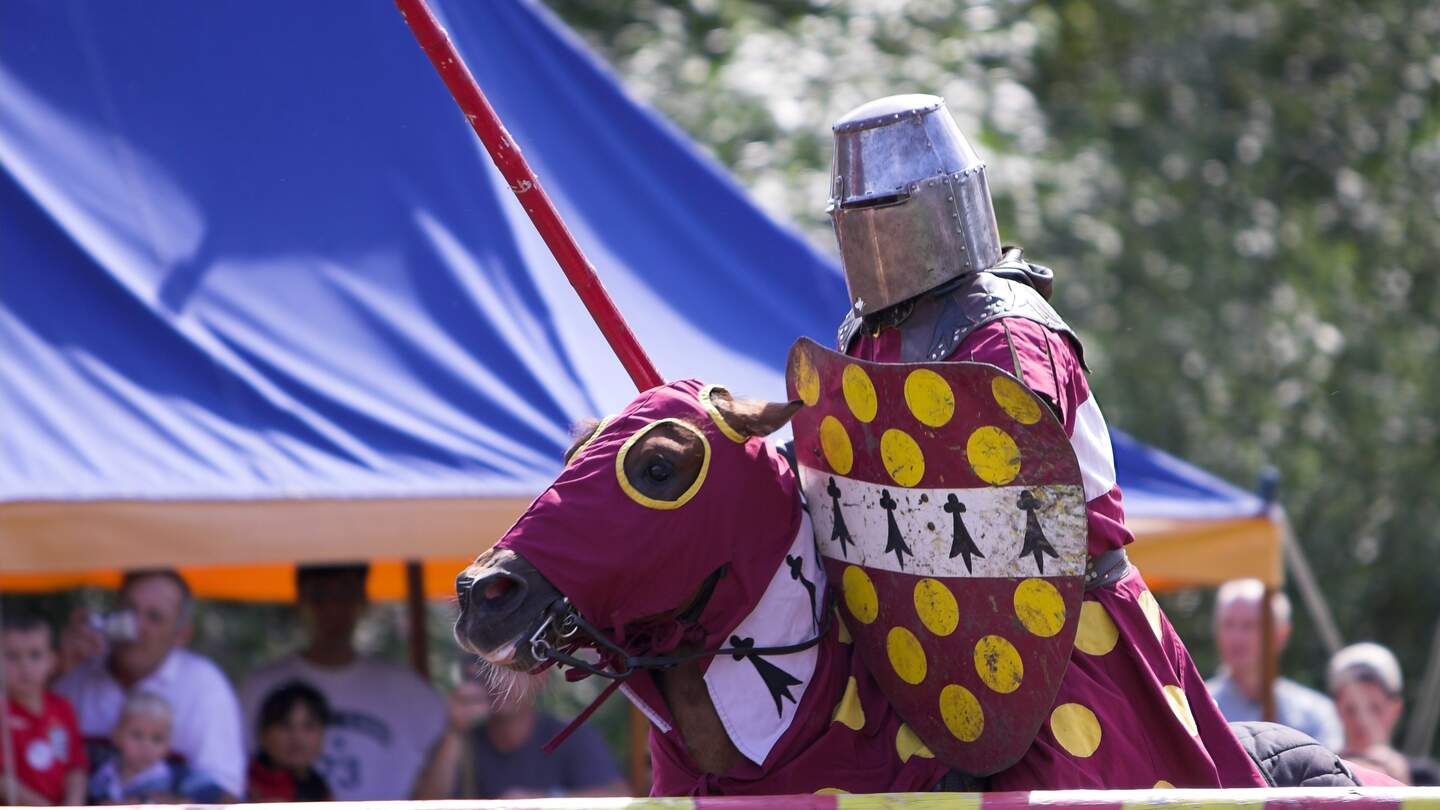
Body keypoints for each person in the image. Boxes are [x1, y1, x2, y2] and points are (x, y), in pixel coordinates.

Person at [827, 94, 1265, 789]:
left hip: (1058, 636)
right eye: (852, 215)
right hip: (921, 642)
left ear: (935, 204)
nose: (867, 233)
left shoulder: (1005, 330)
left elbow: (1012, 498)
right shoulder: (870, 334)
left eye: (881, 212)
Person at [239, 563, 445, 800]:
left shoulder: (410, 691)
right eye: (320, 594)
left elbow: (447, 771)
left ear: (363, 599)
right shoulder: (259, 687)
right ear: (301, 600)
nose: (333, 607)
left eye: (345, 593)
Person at [54, 569, 245, 798]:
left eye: (154, 617)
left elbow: (225, 796)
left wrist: (146, 802)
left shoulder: (205, 688)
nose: (136, 627)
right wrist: (54, 671)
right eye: (128, 611)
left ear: (181, 634)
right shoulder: (75, 674)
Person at [413, 670, 625, 800]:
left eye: (511, 669)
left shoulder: (570, 737)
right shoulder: (462, 740)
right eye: (489, 669)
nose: (499, 681)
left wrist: (543, 802)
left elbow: (619, 796)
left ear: (540, 678)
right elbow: (428, 802)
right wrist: (454, 730)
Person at [1205, 578, 1342, 750]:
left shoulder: (1315, 714)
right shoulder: (1195, 709)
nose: (1236, 637)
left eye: (1249, 625)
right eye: (1228, 624)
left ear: (1281, 635)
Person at [1, 612, 87, 806]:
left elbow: (76, 766)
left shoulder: (63, 708)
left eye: (35, 655)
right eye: (12, 656)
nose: (25, 666)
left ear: (51, 661)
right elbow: (3, 781)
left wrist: (74, 803)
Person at [1328, 642, 1440, 785]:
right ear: (1337, 709)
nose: (1362, 720)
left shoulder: (1428, 779)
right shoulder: (1318, 772)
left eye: (1374, 709)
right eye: (1351, 709)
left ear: (1396, 708)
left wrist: (1405, 787)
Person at [86, 691, 225, 804]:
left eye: (157, 739)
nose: (146, 746)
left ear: (168, 745)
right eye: (137, 735)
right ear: (116, 735)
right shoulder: (99, 773)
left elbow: (214, 795)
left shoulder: (177, 776)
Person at [246, 681, 333, 801]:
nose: (297, 737)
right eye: (285, 725)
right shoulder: (240, 784)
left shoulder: (319, 789)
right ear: (263, 733)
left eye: (308, 726)